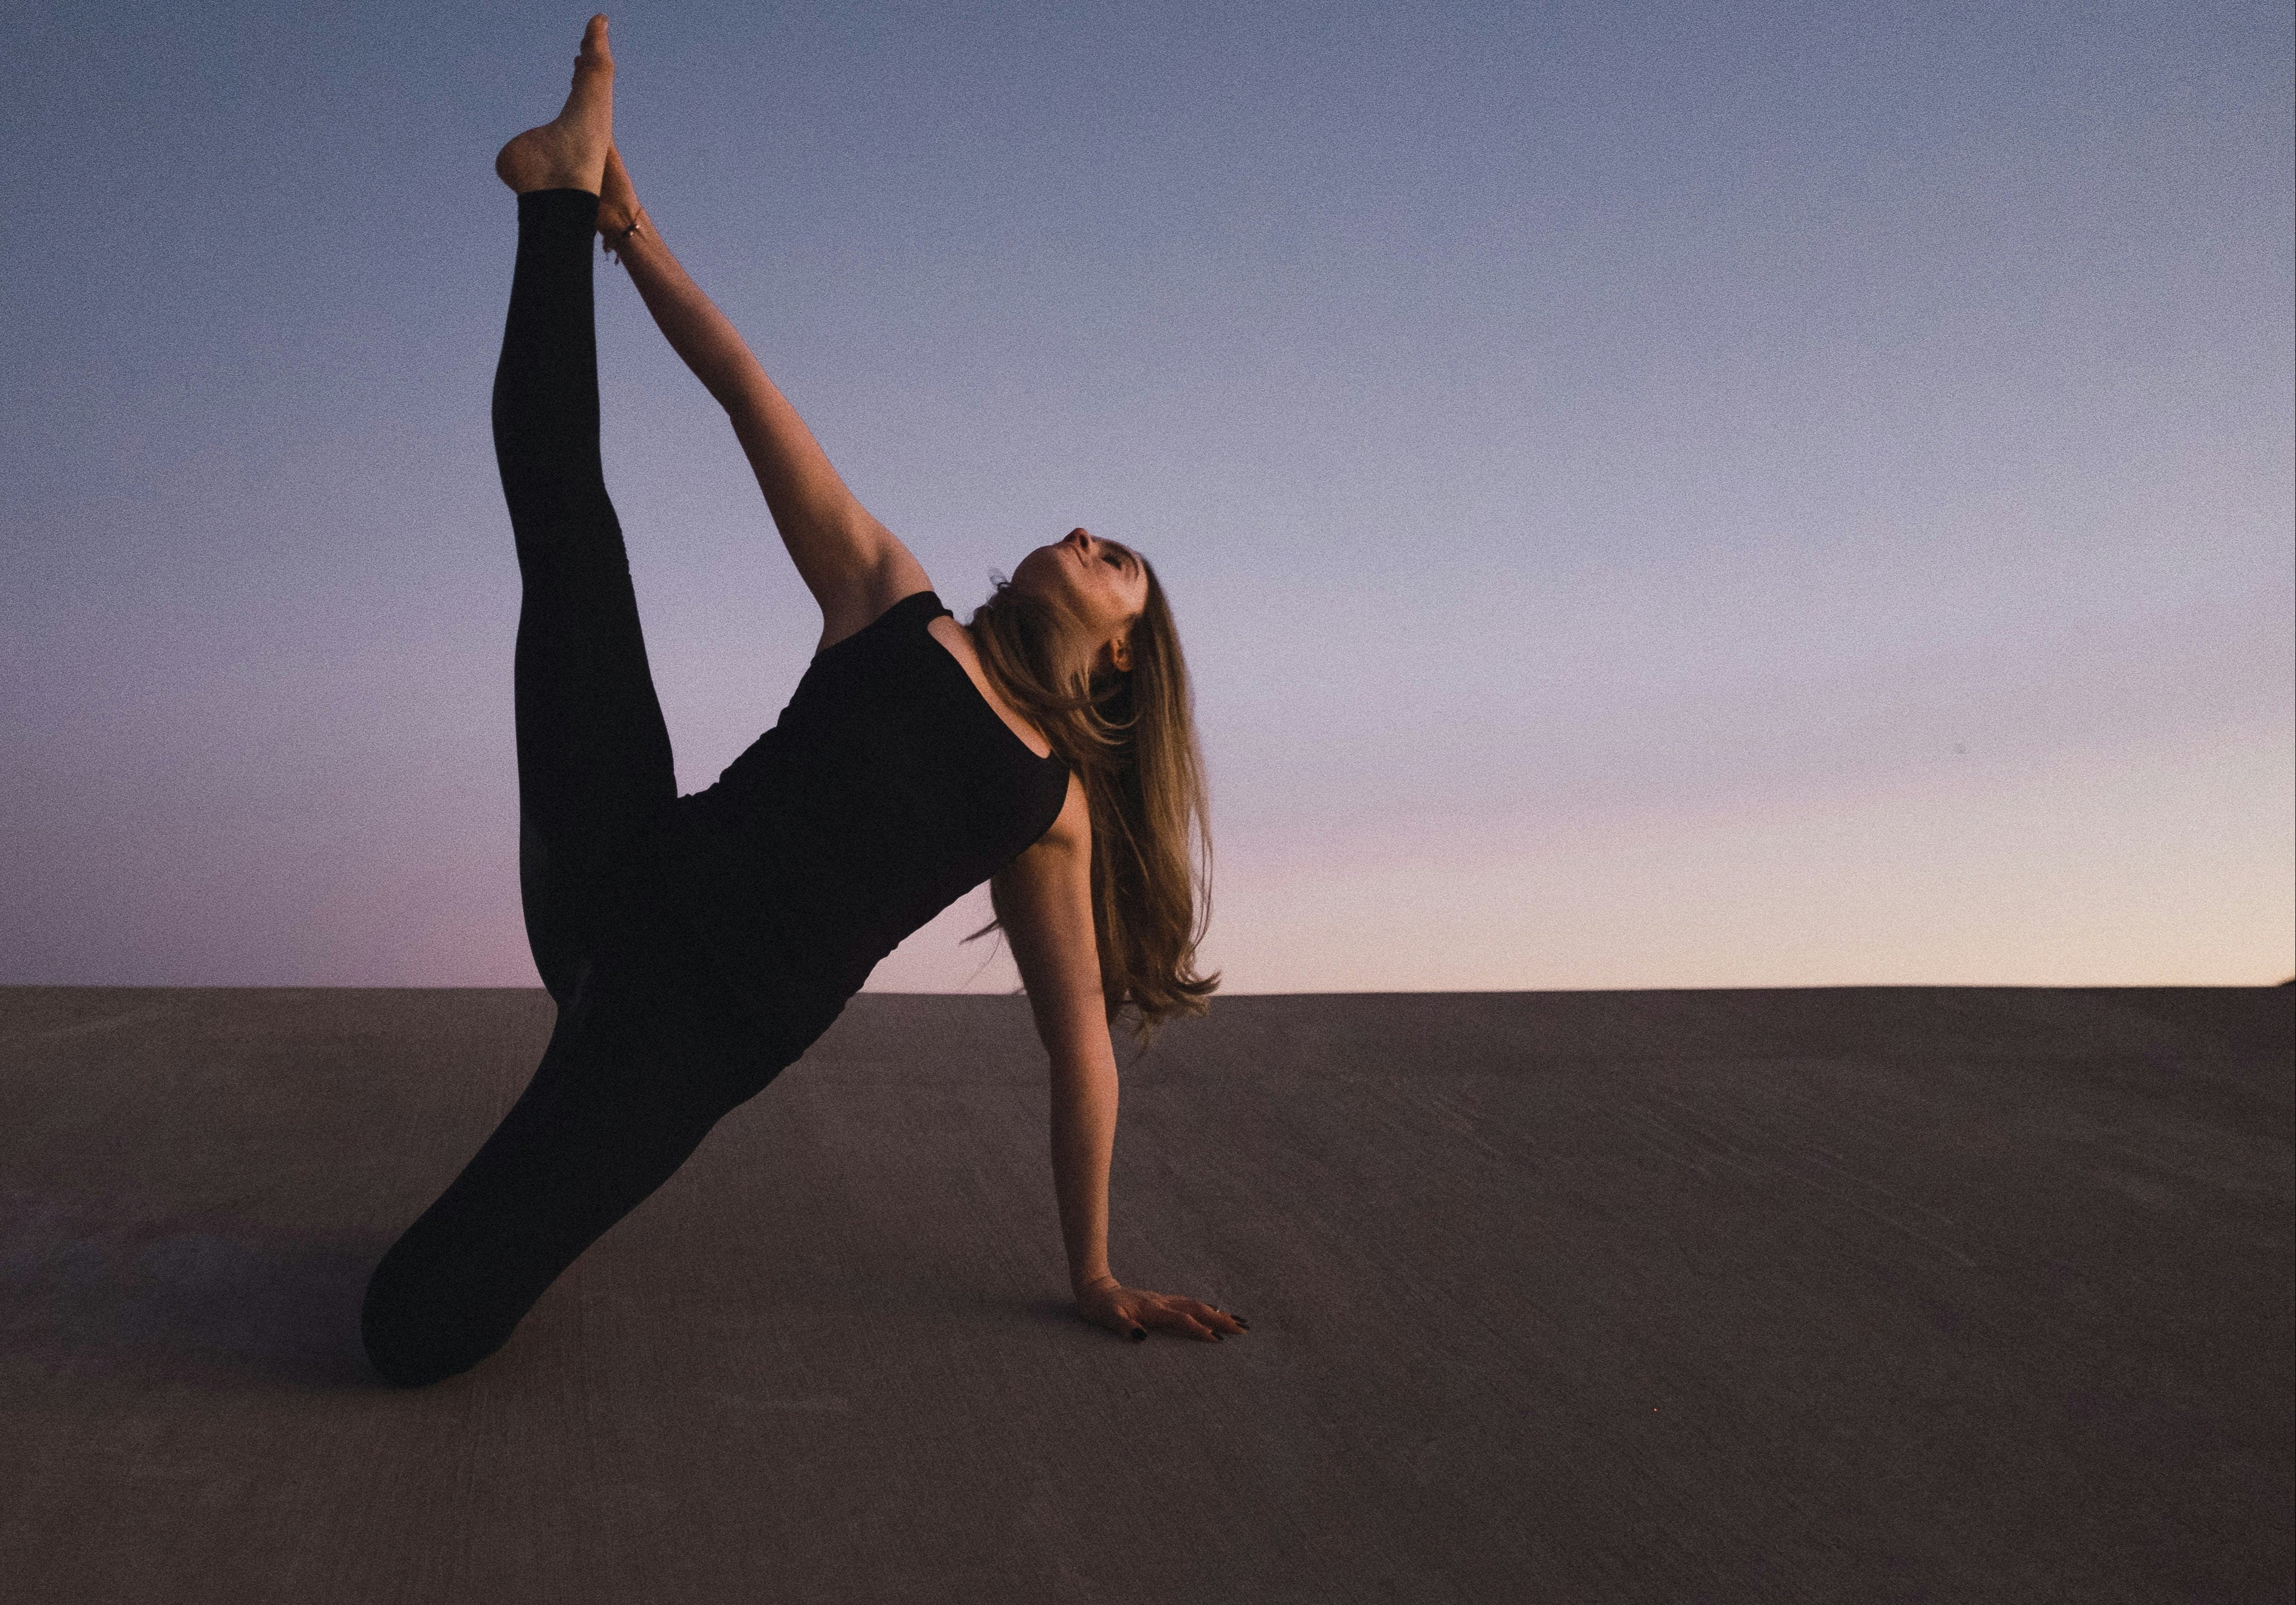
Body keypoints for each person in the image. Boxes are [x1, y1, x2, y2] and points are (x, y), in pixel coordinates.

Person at [361, 15, 1245, 1386]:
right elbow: (741, 386)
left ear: (1127, 650)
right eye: (1089, 528)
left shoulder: (1047, 807)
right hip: (626, 867)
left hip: (690, 1037)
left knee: (409, 1330)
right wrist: (622, 230)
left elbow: (1081, 1053)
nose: (1086, 536)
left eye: (1115, 557)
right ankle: (557, 186)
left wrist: (1095, 1270)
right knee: (573, 537)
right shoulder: (894, 596)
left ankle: (517, 1169)